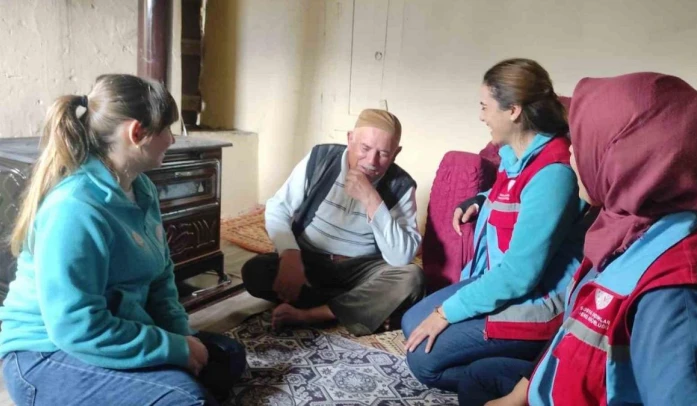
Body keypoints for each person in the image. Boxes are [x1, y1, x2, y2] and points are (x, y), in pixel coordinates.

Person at [476, 73, 697, 406]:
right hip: (572, 379)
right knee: (478, 378)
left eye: (585, 141)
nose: (570, 151)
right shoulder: (627, 226)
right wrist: (519, 395)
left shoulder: (674, 298)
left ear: (628, 160)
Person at [0, 74, 245, 406]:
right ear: (136, 133)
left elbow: (161, 280)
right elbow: (76, 327)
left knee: (228, 357)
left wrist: (181, 337)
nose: (172, 139)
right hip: (45, 353)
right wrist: (174, 349)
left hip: (105, 332)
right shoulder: (74, 208)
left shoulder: (141, 189)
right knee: (187, 399)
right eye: (166, 129)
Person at [401, 58, 589, 394]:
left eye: (485, 106)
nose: (481, 116)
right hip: (505, 283)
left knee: (423, 361)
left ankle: (536, 378)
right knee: (411, 322)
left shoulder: (553, 174)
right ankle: (497, 363)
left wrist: (445, 314)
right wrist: (480, 199)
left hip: (537, 299)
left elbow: (519, 275)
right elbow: (515, 193)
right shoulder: (517, 154)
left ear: (513, 111)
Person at [241, 109, 424, 336]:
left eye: (384, 153)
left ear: (396, 153)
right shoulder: (321, 158)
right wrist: (289, 254)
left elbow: (400, 257)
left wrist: (371, 198)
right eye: (365, 148)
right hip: (309, 261)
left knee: (411, 279)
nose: (372, 161)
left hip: (361, 270)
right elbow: (278, 207)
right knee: (255, 271)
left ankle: (312, 314)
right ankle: (362, 309)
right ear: (350, 138)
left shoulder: (402, 185)